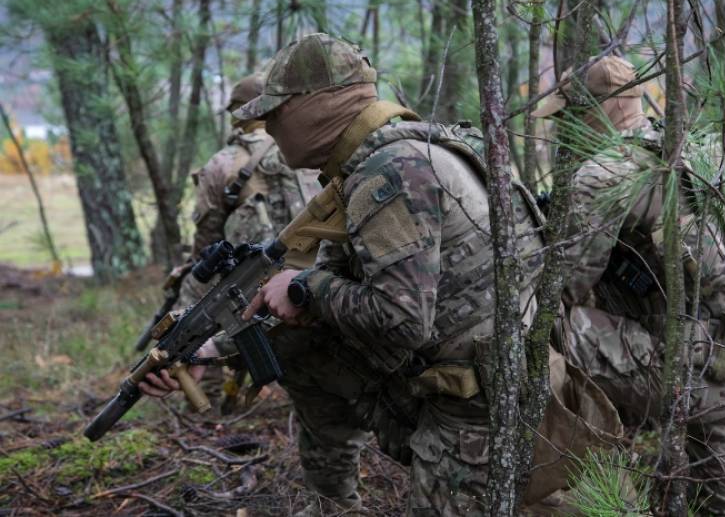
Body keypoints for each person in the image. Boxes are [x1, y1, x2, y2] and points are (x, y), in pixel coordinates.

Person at [143, 33, 548, 516]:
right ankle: (330, 504)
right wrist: (213, 349)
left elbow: (401, 318)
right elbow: (340, 291)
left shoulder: (389, 173)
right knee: (297, 347)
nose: (268, 129)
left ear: (315, 109)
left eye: (276, 115)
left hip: (481, 407)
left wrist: (306, 286)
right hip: (475, 374)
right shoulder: (389, 155)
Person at [533, 55, 725, 515]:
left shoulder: (602, 175)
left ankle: (570, 468)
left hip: (684, 369)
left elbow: (566, 288)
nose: (563, 132)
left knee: (539, 323)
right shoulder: (703, 150)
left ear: (593, 113)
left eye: (569, 118)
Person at [175, 72, 320, 309]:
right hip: (321, 280)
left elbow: (206, 246)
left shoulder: (224, 163)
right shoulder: (309, 147)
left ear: (239, 113)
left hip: (259, 295)